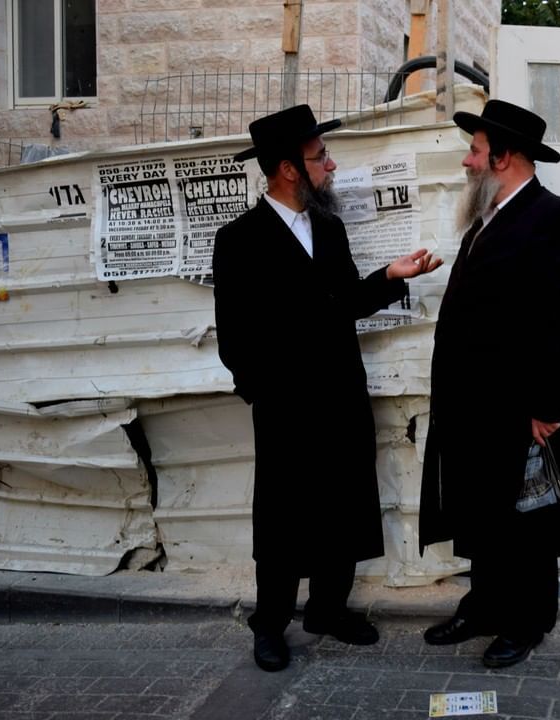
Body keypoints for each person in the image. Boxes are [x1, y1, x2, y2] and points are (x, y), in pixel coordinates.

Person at [213, 104, 442, 672]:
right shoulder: (239, 239)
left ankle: (328, 610)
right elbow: (234, 339)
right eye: (320, 158)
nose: (331, 167)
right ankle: (269, 624)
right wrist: (263, 394)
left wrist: (390, 278)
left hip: (340, 396)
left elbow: (345, 305)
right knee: (283, 518)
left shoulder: (330, 229)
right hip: (286, 407)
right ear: (288, 169)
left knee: (343, 505)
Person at [418, 100, 560, 668]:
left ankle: (528, 620)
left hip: (521, 407)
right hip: (473, 406)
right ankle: (485, 605)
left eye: (475, 150)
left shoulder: (554, 217)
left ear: (506, 157)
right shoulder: (486, 216)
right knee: (482, 513)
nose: (467, 161)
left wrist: (545, 406)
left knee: (526, 517)